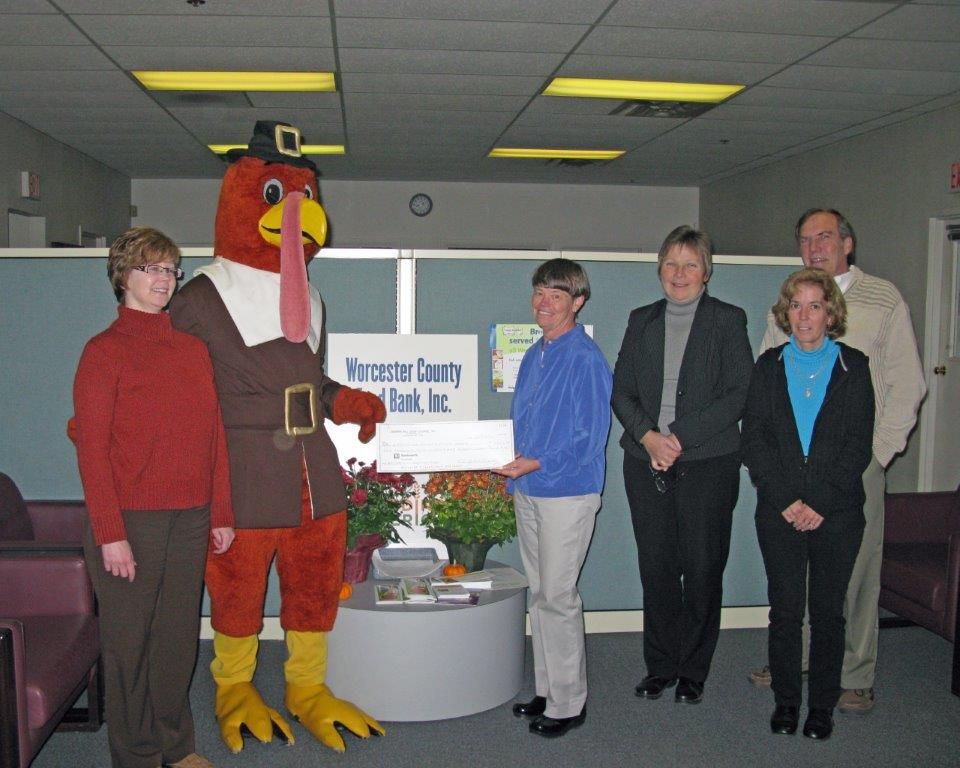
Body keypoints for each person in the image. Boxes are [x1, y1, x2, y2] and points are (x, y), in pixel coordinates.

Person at [749, 209, 926, 714]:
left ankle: (855, 673)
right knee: (791, 584)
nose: (814, 247)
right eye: (805, 239)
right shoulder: (785, 303)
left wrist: (877, 455)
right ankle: (795, 663)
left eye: (824, 237)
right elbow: (767, 392)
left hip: (854, 462)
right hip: (790, 466)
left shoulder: (883, 298)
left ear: (847, 243)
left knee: (852, 578)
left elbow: (905, 384)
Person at [73, 227, 235, 768]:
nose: (164, 280)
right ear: (123, 276)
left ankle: (176, 745)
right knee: (129, 647)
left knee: (176, 640)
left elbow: (213, 434)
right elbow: (92, 452)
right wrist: (110, 533)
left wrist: (222, 512)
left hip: (190, 517)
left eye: (170, 270)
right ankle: (137, 755)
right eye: (151, 269)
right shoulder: (103, 352)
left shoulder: (192, 351)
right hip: (130, 523)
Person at [612, 225, 754, 705]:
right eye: (671, 263)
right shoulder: (641, 320)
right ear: (659, 270)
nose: (679, 273)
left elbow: (739, 393)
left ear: (707, 271)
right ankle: (661, 666)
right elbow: (622, 391)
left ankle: (693, 670)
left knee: (702, 568)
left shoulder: (728, 320)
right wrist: (650, 437)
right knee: (656, 568)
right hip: (645, 461)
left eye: (690, 264)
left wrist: (678, 438)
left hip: (708, 463)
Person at [743, 268, 874, 740]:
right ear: (785, 312)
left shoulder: (853, 368)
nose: (804, 315)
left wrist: (817, 500)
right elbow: (754, 440)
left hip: (836, 513)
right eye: (795, 305)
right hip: (778, 510)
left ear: (830, 313)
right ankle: (785, 702)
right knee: (784, 611)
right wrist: (785, 499)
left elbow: (858, 445)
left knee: (827, 614)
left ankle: (821, 707)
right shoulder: (768, 366)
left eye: (814, 305)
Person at [494, 258, 612, 739]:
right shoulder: (535, 354)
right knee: (541, 594)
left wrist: (536, 462)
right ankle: (546, 688)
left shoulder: (586, 358)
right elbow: (524, 423)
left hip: (567, 492)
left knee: (559, 597)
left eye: (556, 295)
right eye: (540, 291)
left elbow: (588, 438)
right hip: (530, 489)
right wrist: (512, 461)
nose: (544, 302)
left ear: (577, 302)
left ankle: (568, 702)